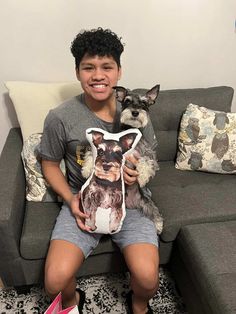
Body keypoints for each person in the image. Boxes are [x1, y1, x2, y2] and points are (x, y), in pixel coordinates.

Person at [40, 27, 159, 314]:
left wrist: (137, 173)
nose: (97, 75)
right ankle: (72, 302)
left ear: (118, 72)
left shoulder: (137, 114)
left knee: (147, 279)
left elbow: (151, 160)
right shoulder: (60, 117)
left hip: (131, 203)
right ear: (77, 72)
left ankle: (138, 305)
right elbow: (49, 163)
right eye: (88, 67)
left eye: (107, 66)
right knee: (54, 282)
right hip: (85, 201)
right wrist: (71, 200)